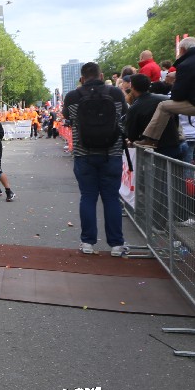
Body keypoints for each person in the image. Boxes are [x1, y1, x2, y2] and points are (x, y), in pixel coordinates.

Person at [62, 62, 128, 256]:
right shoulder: (115, 93)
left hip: (84, 153)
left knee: (88, 197)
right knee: (111, 198)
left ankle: (88, 242)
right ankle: (116, 244)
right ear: (101, 76)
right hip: (111, 153)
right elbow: (124, 115)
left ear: (82, 78)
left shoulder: (72, 96)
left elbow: (67, 117)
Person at [136, 37, 195, 147]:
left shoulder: (186, 64)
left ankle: (151, 140)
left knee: (164, 106)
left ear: (182, 49)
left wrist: (174, 80)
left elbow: (177, 96)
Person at [122, 74, 183, 159]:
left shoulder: (135, 108)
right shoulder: (165, 99)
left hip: (155, 150)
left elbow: (131, 134)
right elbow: (176, 119)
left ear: (132, 87)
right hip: (174, 144)